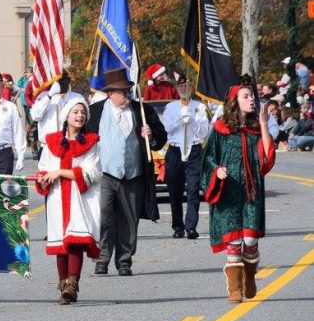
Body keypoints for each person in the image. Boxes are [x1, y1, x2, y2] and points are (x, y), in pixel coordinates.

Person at [85, 68, 166, 276]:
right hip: (104, 175)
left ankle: (124, 261)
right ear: (111, 93)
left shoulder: (142, 111)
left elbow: (161, 137)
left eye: (128, 91)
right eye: (122, 92)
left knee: (129, 220)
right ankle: (102, 259)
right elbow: (82, 140)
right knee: (104, 218)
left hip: (134, 174)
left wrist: (152, 134)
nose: (127, 96)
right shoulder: (94, 112)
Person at [202, 82, 275, 303]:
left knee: (250, 241)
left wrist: (263, 124)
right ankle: (234, 289)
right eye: (246, 96)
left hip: (251, 191)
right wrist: (217, 170)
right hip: (228, 192)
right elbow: (207, 159)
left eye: (252, 96)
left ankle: (249, 276)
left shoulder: (255, 129)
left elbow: (266, 160)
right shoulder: (220, 129)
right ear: (235, 101)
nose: (251, 99)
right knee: (233, 242)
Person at [34, 96, 101, 304]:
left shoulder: (91, 142)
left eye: (82, 112)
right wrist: (44, 177)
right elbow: (44, 168)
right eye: (75, 112)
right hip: (57, 197)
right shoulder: (52, 142)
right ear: (66, 116)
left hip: (79, 198)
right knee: (60, 243)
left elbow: (93, 171)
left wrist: (60, 172)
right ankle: (63, 283)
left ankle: (73, 283)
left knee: (75, 241)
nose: (79, 116)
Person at [161, 77, 210, 239]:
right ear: (176, 88)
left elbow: (204, 133)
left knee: (193, 189)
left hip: (194, 149)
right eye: (181, 86)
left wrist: (193, 121)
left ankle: (191, 226)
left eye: (187, 86)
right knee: (175, 191)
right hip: (175, 151)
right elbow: (167, 129)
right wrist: (180, 119)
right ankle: (178, 226)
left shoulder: (200, 107)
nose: (184, 89)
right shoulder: (171, 107)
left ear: (192, 88)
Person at [30, 70, 84, 151]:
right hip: (47, 148)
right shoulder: (43, 96)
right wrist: (49, 96)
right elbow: (35, 116)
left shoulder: (77, 97)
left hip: (70, 146)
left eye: (62, 79)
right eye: (56, 80)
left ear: (68, 80)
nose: (59, 83)